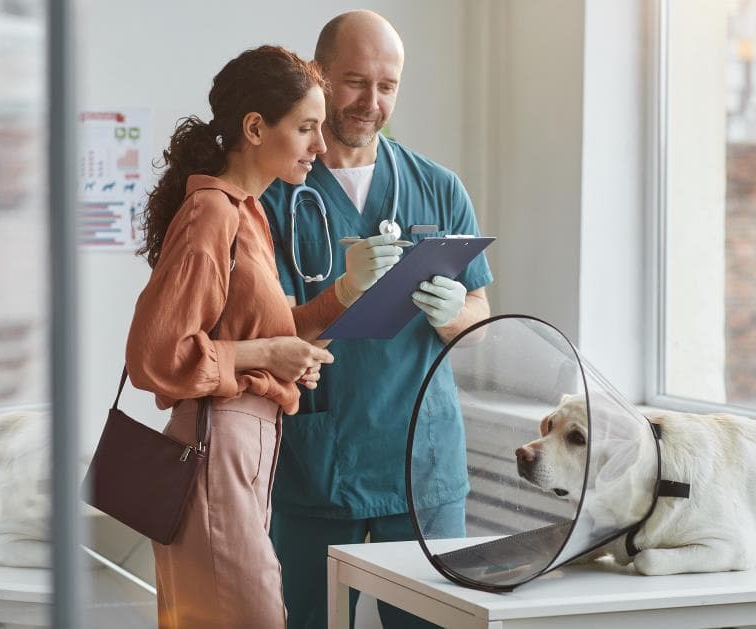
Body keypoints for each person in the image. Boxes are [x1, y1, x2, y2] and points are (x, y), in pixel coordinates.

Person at [125, 45, 399, 628]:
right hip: (215, 448)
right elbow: (156, 356)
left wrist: (338, 299)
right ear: (255, 128)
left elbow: (268, 332)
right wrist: (269, 355)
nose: (321, 145)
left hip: (244, 447)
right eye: (305, 128)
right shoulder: (213, 214)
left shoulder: (247, 213)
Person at [261, 11, 494, 628]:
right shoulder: (272, 197)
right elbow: (262, 333)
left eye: (386, 86)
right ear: (318, 77)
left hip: (421, 467)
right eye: (354, 81)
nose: (371, 101)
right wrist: (343, 291)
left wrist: (453, 316)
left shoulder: (438, 186)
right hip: (317, 465)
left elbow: (480, 309)